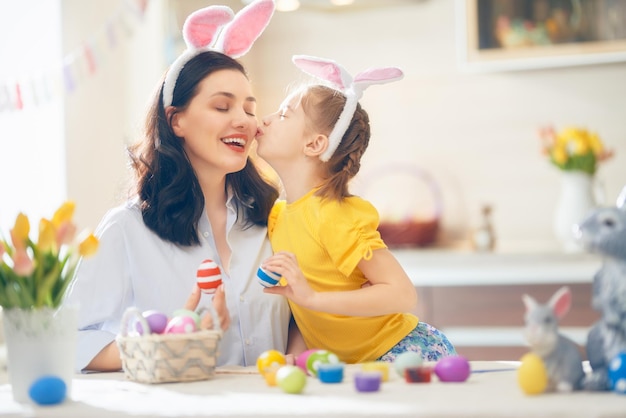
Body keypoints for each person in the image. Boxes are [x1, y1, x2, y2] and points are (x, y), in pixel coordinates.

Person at [64, 0, 294, 372]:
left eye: (250, 110)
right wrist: (162, 345)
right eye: (222, 107)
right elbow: (69, 340)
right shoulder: (127, 229)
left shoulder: (273, 217)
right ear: (176, 121)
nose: (244, 122)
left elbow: (300, 316)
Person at [256, 55, 456, 364]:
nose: (265, 119)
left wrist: (313, 297)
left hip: (403, 351)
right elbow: (301, 310)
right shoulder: (278, 217)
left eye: (284, 114)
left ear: (314, 144)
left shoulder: (335, 215)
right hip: (357, 366)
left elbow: (402, 294)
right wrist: (293, 357)